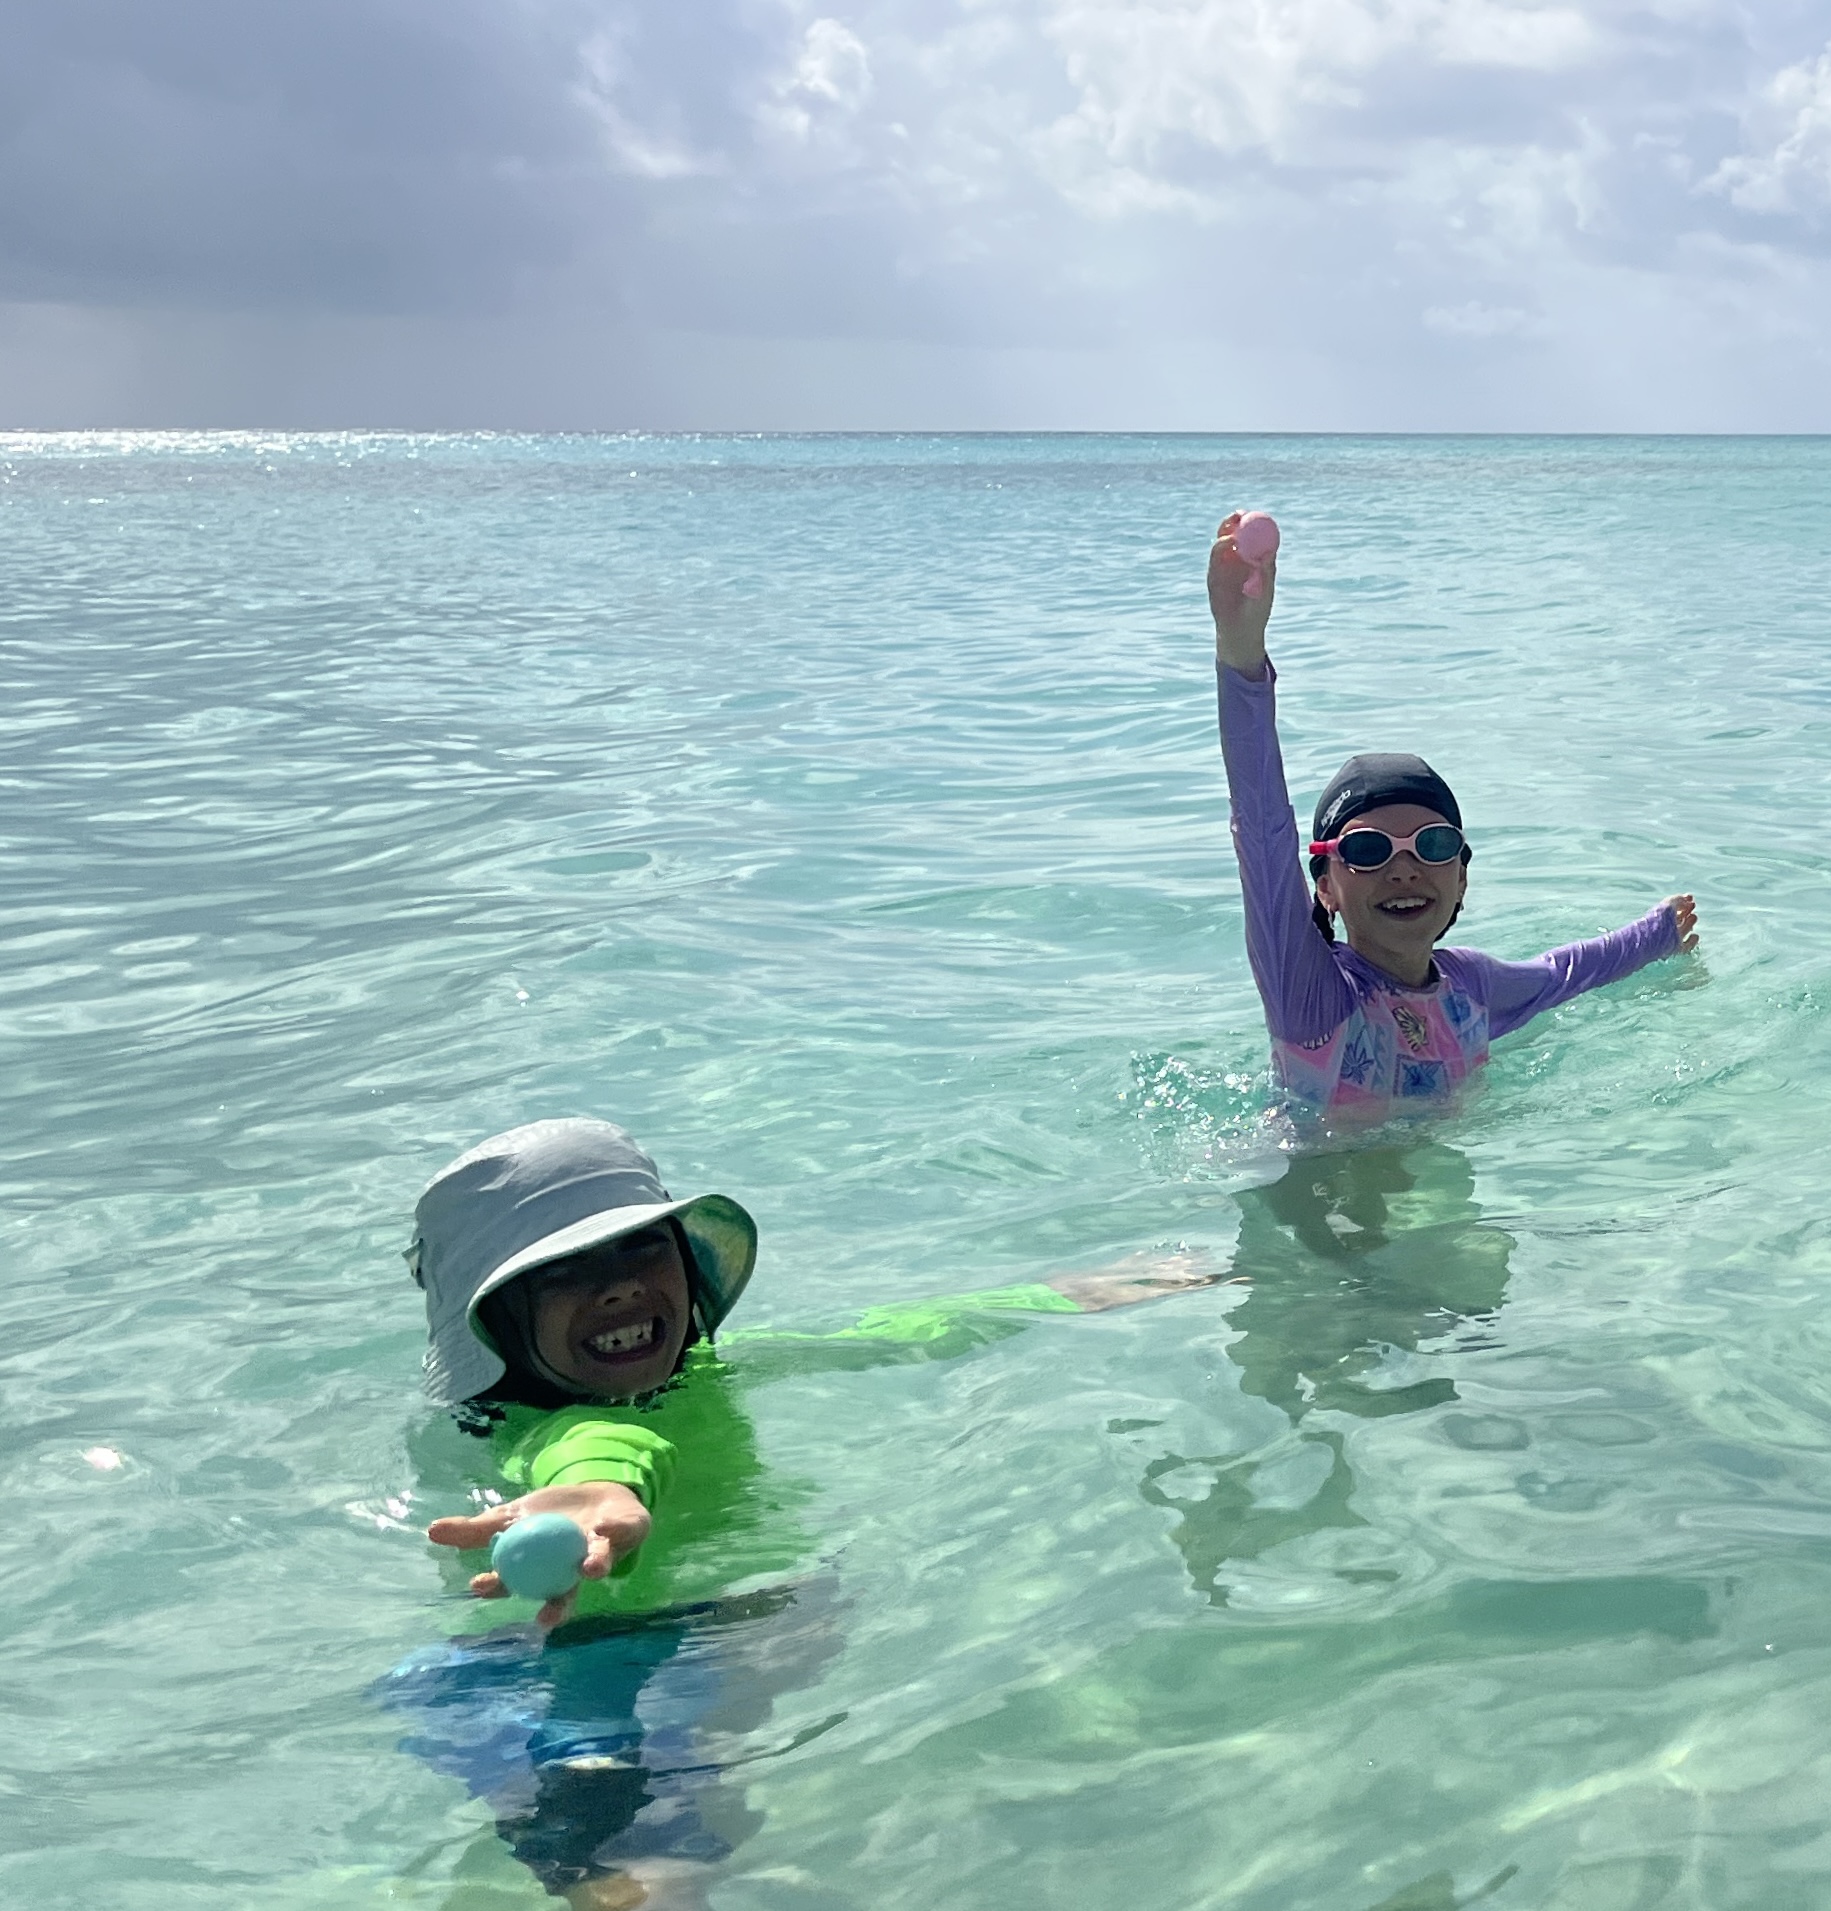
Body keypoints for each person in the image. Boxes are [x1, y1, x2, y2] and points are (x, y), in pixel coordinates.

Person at [383, 1117, 1211, 1908]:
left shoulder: (708, 1371)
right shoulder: (569, 1431)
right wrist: (602, 1495)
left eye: (641, 1243)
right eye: (565, 1270)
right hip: (627, 1666)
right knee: (655, 1881)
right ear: (492, 1321)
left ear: (687, 1262)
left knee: (632, 1872)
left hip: (496, 1670)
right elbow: (604, 1455)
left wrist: (1063, 1295)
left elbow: (891, 1332)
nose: (622, 1284)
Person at [1209, 512, 1698, 1128]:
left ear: (1462, 878)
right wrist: (1241, 651)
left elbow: (1562, 974)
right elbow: (1261, 828)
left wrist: (1656, 936)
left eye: (1433, 845)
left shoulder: (1470, 986)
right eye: (1367, 851)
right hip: (1323, 1207)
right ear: (1326, 885)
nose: (1405, 868)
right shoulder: (1311, 996)